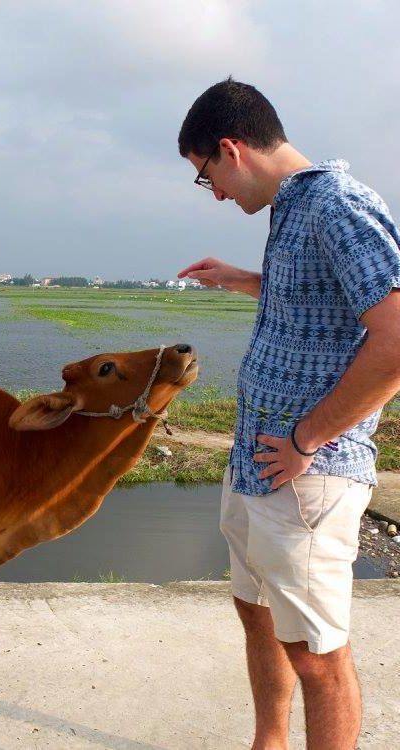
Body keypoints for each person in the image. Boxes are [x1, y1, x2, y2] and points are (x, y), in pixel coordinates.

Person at [177, 77, 400, 750]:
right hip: (257, 466)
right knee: (255, 613)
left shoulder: (336, 203)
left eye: (204, 175)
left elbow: (395, 332)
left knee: (316, 657)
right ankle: (267, 743)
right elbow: (323, 295)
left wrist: (308, 437)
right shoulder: (292, 206)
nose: (213, 192)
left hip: (307, 475)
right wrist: (246, 279)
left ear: (230, 148)